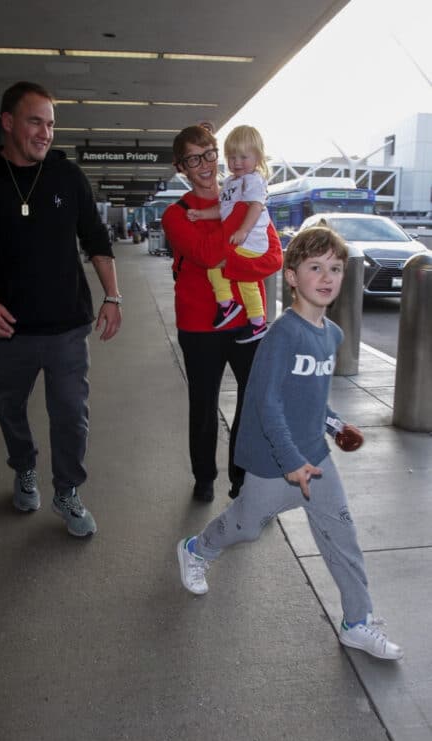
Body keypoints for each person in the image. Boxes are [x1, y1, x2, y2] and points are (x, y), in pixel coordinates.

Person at [177, 226, 403, 661]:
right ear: (292, 276)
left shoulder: (331, 336)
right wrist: (289, 461)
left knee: (343, 534)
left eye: (335, 268)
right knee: (245, 526)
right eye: (315, 267)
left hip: (314, 460)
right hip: (271, 462)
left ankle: (357, 622)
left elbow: (312, 399)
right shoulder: (282, 334)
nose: (327, 276)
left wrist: (335, 427)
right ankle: (195, 550)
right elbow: (267, 402)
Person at [0, 81, 122, 538]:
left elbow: (96, 240)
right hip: (4, 330)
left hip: (67, 325)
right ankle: (24, 465)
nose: (45, 132)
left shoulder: (67, 177)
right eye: (35, 122)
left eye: (50, 124)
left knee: (71, 412)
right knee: (9, 408)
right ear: (8, 123)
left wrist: (113, 295)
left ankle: (67, 490)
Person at [162, 125, 282, 503]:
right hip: (199, 325)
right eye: (194, 159)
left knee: (252, 404)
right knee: (203, 405)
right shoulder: (176, 215)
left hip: (248, 322)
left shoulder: (248, 191)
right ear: (181, 166)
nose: (206, 165)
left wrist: (242, 219)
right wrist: (242, 218)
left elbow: (274, 258)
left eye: (210, 154)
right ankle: (204, 477)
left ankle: (242, 481)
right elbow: (210, 254)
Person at [187, 125, 270, 344]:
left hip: (251, 242)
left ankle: (257, 322)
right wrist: (202, 214)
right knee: (215, 266)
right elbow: (223, 210)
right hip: (240, 241)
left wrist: (243, 230)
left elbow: (255, 206)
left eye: (244, 156)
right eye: (232, 157)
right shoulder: (231, 182)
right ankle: (228, 305)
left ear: (258, 157)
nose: (237, 162)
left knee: (245, 282)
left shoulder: (252, 180)